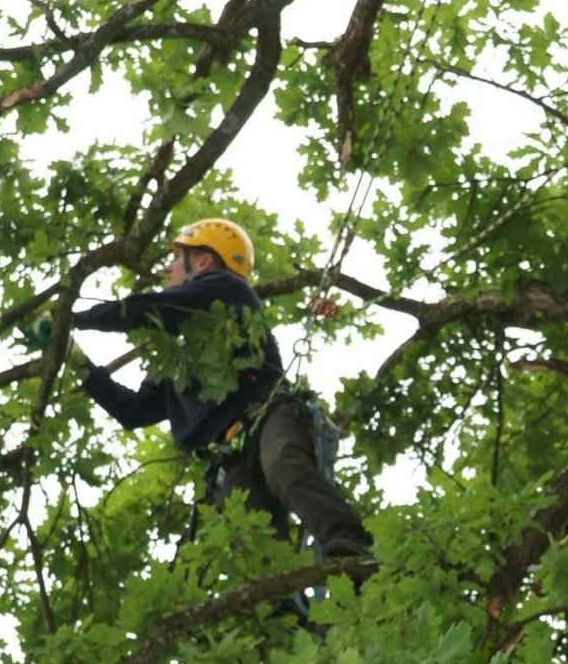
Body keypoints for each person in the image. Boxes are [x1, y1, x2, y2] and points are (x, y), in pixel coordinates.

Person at [70, 218, 374, 568]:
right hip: (228, 457)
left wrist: (76, 318)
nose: (167, 269)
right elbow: (134, 411)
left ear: (203, 261)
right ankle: (283, 615)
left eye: (175, 259)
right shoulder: (175, 354)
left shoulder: (226, 290)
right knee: (253, 540)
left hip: (267, 417)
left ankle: (349, 545)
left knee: (283, 463)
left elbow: (152, 307)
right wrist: (73, 356)